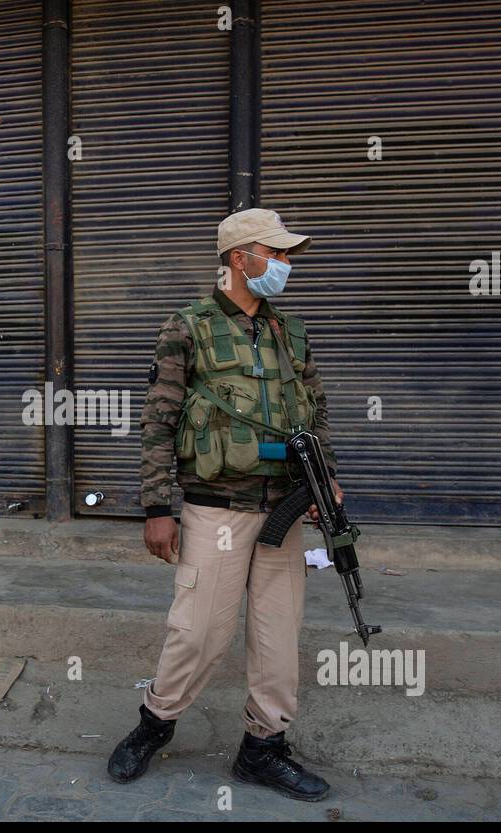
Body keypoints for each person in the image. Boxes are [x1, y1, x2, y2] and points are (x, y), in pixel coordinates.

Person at [107, 208, 344, 801]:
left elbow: (315, 416)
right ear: (242, 259)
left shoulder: (291, 330)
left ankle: (263, 748)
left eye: (288, 255)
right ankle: (153, 726)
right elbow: (159, 422)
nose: (287, 265)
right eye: (278, 253)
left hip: (283, 507)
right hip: (216, 508)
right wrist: (156, 507)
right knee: (199, 632)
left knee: (277, 635)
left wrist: (326, 482)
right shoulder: (186, 327)